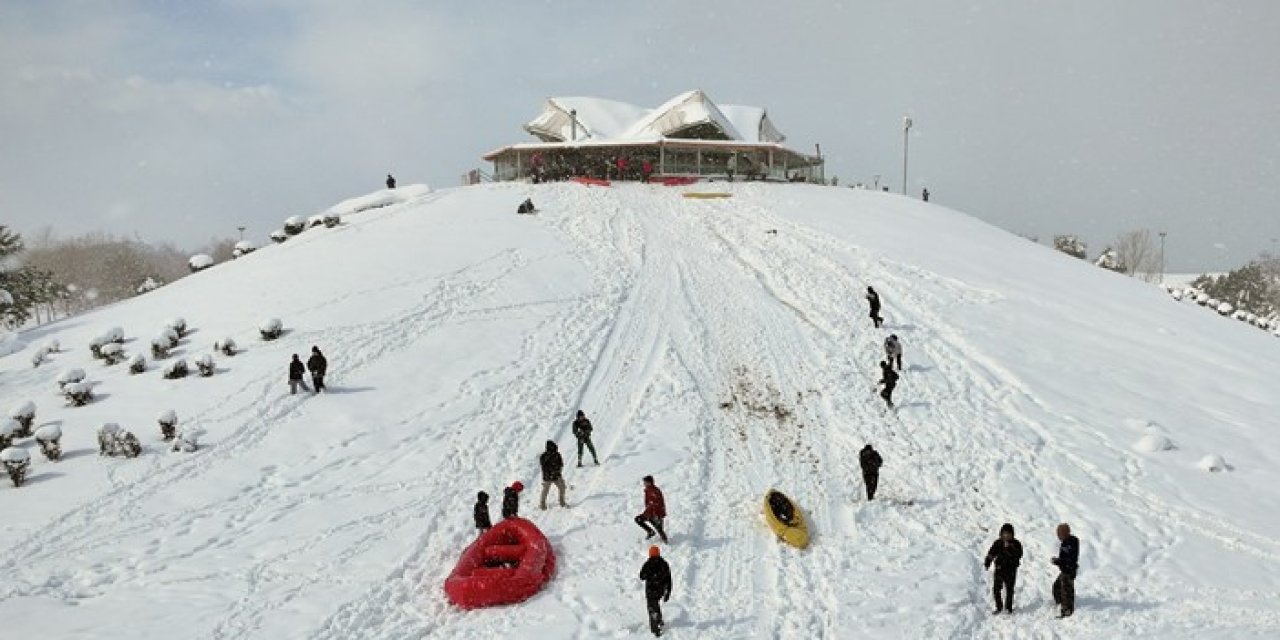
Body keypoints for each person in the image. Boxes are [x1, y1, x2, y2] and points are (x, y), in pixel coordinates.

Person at [984, 523, 1023, 614]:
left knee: (1009, 590)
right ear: (1001, 534)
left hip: (1011, 570)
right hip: (999, 569)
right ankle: (999, 607)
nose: (1006, 536)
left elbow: (1019, 554)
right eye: (1004, 534)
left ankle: (1008, 608)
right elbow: (991, 552)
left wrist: (1009, 548)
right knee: (996, 589)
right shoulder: (998, 543)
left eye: (1008, 534)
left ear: (1012, 534)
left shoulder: (1016, 544)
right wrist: (988, 561)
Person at [638, 545, 672, 637]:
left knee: (652, 609)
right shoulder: (664, 564)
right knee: (656, 605)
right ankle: (660, 621)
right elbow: (669, 579)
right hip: (660, 590)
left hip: (650, 591)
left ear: (650, 554)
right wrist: (668, 592)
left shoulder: (648, 564)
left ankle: (655, 630)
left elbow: (641, 576)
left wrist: (649, 574)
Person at [1051, 523, 1080, 618]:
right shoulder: (1063, 542)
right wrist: (1057, 561)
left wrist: (1058, 561)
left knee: (1066, 591)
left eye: (1060, 534)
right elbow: (1063, 557)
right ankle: (1060, 603)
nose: (1058, 536)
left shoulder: (1074, 541)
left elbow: (1071, 559)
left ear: (1066, 532)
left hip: (1070, 570)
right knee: (1056, 587)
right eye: (1058, 534)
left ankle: (1067, 611)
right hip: (1064, 570)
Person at [634, 475, 669, 543]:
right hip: (650, 513)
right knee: (638, 519)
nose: (644, 484)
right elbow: (649, 504)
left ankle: (666, 543)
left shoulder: (654, 491)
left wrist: (656, 516)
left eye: (645, 482)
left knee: (660, 530)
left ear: (649, 482)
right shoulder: (648, 490)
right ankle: (650, 532)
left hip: (656, 514)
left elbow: (657, 504)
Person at [538, 440, 567, 509]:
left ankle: (562, 502)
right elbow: (543, 466)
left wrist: (558, 471)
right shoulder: (544, 456)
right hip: (548, 476)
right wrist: (550, 472)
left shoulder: (557, 454)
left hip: (557, 476)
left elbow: (561, 464)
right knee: (545, 490)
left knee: (562, 487)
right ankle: (542, 504)